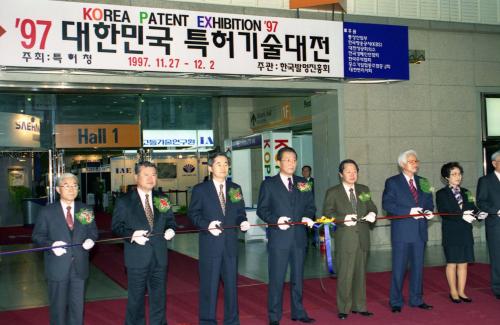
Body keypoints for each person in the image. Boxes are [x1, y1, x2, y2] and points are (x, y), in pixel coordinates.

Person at [111, 161, 177, 325]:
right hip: (137, 257)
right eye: (146, 174)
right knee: (136, 300)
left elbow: (170, 221)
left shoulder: (163, 199)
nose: (150, 178)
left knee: (159, 298)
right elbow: (116, 227)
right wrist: (132, 235)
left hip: (159, 257)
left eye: (154, 175)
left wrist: (170, 229)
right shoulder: (124, 201)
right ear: (136, 177)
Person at [257, 147, 316, 325]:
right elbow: (262, 209)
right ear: (279, 162)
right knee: (277, 278)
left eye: (294, 160)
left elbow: (310, 206)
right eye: (287, 160)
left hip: (299, 238)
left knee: (298, 277)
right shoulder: (269, 184)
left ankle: (298, 311)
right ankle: (274, 316)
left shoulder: (303, 182)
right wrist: (276, 220)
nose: (291, 163)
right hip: (279, 239)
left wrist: (308, 216)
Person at [188, 152, 249, 325]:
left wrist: (243, 221)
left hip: (230, 246)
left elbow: (239, 212)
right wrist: (207, 225)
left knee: (231, 286)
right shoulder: (201, 189)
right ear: (210, 168)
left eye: (226, 164)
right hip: (210, 245)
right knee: (209, 286)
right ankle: (207, 320)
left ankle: (232, 320)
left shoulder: (235, 188)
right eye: (219, 164)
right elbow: (193, 214)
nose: (223, 167)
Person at [32, 173, 98, 325]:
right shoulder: (47, 211)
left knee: (77, 308)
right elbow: (37, 236)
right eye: (66, 185)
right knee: (58, 309)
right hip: (57, 267)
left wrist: (90, 239)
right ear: (57, 189)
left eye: (75, 185)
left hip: (79, 267)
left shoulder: (85, 209)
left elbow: (93, 232)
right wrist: (51, 245)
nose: (71, 189)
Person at [322, 159, 378, 320]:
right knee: (345, 275)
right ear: (341, 174)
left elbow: (371, 206)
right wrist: (342, 218)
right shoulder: (333, 192)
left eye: (355, 171)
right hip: (345, 238)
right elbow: (327, 214)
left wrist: (372, 213)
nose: (352, 174)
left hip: (363, 237)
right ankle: (343, 308)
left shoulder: (363, 189)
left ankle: (360, 306)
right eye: (348, 171)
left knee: (360, 274)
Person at [382, 149, 434, 313]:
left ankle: (416, 299)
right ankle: (395, 301)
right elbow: (388, 205)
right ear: (402, 164)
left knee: (418, 268)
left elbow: (429, 202)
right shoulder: (392, 182)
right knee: (399, 268)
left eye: (416, 161)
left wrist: (429, 211)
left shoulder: (424, 181)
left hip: (420, 231)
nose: (415, 164)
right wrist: (409, 211)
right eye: (412, 161)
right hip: (402, 232)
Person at [436, 162, 488, 303]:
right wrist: (462, 215)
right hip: (451, 232)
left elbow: (473, 207)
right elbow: (444, 213)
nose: (458, 177)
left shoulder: (466, 192)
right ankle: (453, 292)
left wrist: (479, 214)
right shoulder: (441, 194)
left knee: (464, 263)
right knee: (452, 263)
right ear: (446, 177)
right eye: (454, 174)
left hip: (465, 231)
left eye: (459, 174)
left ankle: (462, 291)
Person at [477, 150, 500, 299]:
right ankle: (498, 288)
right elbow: (481, 201)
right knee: (497, 258)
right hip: (496, 225)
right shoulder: (485, 181)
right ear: (493, 163)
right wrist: (496, 210)